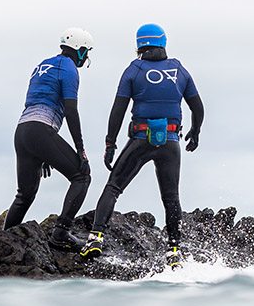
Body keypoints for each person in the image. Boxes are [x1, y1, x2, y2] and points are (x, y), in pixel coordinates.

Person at [81, 23, 203, 268]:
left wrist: (110, 143)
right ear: (163, 42)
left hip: (141, 138)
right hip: (170, 141)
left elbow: (118, 110)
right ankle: (173, 250)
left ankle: (95, 238)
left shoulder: (134, 70)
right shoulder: (179, 70)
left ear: (139, 45)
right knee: (171, 198)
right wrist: (194, 132)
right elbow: (197, 107)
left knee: (114, 187)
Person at [4, 28, 94, 251]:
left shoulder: (42, 65)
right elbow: (71, 111)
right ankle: (61, 233)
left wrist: (42, 152)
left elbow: (38, 102)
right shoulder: (70, 68)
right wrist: (81, 149)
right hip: (40, 130)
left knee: (24, 195)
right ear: (80, 50)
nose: (87, 57)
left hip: (23, 131)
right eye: (87, 52)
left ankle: (3, 242)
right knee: (82, 175)